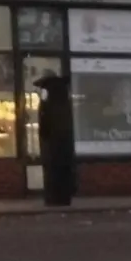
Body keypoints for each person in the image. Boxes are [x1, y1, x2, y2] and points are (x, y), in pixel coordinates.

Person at [34, 72, 76, 207]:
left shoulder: (47, 104)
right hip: (64, 145)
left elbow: (44, 126)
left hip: (52, 146)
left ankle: (53, 198)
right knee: (63, 172)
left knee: (53, 172)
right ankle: (63, 198)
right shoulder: (65, 103)